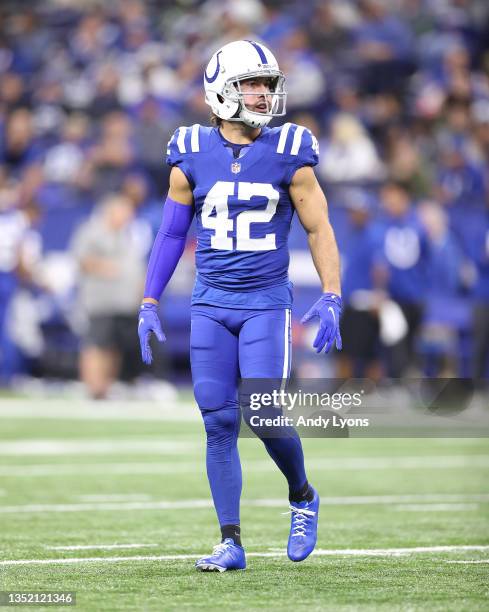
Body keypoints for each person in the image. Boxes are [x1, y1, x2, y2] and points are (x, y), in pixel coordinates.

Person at [137, 40, 342, 572]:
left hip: (265, 303)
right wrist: (149, 299)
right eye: (253, 83)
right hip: (209, 302)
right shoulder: (188, 151)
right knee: (218, 422)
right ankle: (231, 541)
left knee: (264, 412)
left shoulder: (290, 149)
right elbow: (169, 234)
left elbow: (318, 226)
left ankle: (302, 495)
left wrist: (332, 292)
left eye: (268, 83)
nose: (263, 93)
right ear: (221, 90)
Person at [72, 193, 149, 399]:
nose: (128, 216)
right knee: (97, 344)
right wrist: (108, 268)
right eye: (124, 211)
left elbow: (136, 266)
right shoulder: (92, 231)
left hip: (124, 302)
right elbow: (81, 260)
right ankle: (92, 387)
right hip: (100, 300)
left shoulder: (129, 235)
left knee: (115, 346)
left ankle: (106, 387)